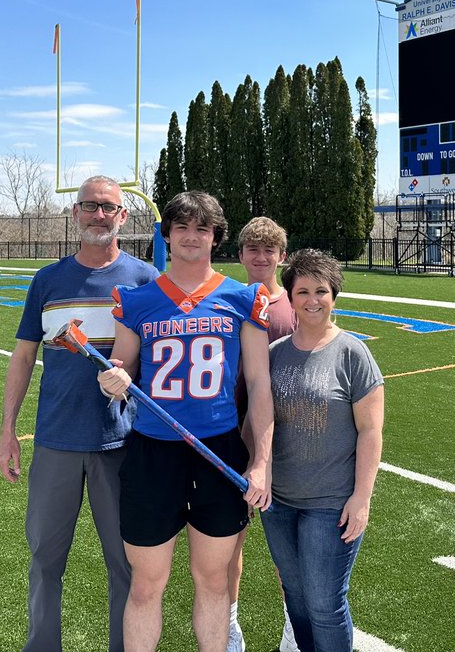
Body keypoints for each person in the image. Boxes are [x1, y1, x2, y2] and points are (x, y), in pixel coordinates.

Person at [97, 190, 274, 652]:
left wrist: (260, 462)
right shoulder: (136, 301)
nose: (191, 236)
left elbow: (258, 384)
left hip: (218, 450)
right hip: (154, 451)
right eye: (182, 227)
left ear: (216, 237)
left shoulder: (242, 298)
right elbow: (124, 364)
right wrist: (113, 377)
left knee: (213, 581)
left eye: (202, 228)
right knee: (146, 584)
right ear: (168, 235)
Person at [0, 176, 159, 652]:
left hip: (122, 444)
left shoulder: (146, 280)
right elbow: (24, 357)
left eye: (108, 207)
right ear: (75, 214)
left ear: (124, 217)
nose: (98, 215)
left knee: (125, 565)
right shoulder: (47, 281)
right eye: (89, 206)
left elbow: (162, 361)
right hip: (56, 441)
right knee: (45, 560)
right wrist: (8, 431)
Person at [260, 249, 385, 652]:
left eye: (321, 291)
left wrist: (361, 498)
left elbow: (370, 431)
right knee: (295, 599)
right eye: (302, 291)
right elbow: (260, 422)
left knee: (325, 604)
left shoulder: (352, 353)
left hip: (330, 504)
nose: (312, 299)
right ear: (290, 297)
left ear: (334, 295)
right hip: (279, 503)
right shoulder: (275, 353)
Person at [228, 216, 296, 652]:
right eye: (253, 249)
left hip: (283, 439)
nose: (260, 257)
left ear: (281, 256)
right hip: (232, 433)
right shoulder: (227, 300)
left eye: (269, 250)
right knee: (230, 538)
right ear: (240, 255)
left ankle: (293, 629)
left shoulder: (296, 304)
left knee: (285, 545)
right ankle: (231, 628)